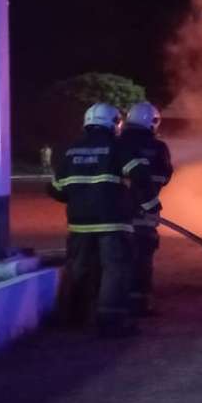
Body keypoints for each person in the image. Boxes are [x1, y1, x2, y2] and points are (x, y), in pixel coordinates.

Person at [47, 103, 152, 337]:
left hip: (79, 224)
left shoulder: (71, 150)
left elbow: (56, 189)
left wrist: (81, 196)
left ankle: (72, 318)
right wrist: (142, 203)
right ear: (115, 123)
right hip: (113, 222)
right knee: (115, 270)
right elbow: (141, 176)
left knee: (78, 269)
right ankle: (111, 322)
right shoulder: (118, 145)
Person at [118, 102, 172, 316]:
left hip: (117, 211)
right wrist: (148, 198)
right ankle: (140, 302)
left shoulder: (115, 142)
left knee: (117, 255)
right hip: (145, 211)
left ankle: (114, 298)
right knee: (143, 255)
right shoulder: (158, 147)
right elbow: (164, 176)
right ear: (153, 121)